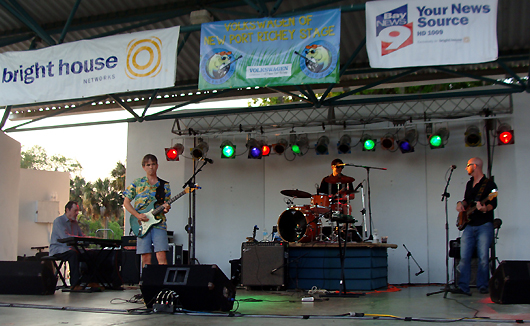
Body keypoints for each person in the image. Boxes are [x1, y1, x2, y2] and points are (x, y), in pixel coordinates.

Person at [454, 157, 498, 295]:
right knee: (465, 257)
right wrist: (461, 204)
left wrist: (484, 209)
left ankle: (483, 285)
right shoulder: (469, 184)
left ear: (476, 166)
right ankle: (463, 287)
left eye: (468, 165)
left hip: (484, 225)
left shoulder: (490, 184)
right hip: (469, 224)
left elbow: (493, 202)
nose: (466, 168)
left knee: (483, 257)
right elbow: (467, 200)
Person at [124, 154, 171, 267]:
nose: (151, 167)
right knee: (145, 257)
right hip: (142, 223)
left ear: (157, 166)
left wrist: (166, 208)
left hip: (158, 223)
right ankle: (147, 281)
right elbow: (126, 202)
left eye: (153, 164)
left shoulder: (164, 185)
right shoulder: (137, 183)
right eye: (148, 165)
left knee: (161, 255)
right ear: (144, 167)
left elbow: (166, 206)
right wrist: (138, 215)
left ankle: (162, 282)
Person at [49, 201, 84, 290]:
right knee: (73, 254)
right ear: (67, 210)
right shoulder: (58, 221)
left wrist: (89, 238)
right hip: (59, 250)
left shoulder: (75, 223)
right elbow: (64, 238)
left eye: (77, 211)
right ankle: (74, 284)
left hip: (71, 249)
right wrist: (78, 239)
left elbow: (81, 236)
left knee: (90, 254)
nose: (77, 213)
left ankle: (90, 281)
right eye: (75, 210)